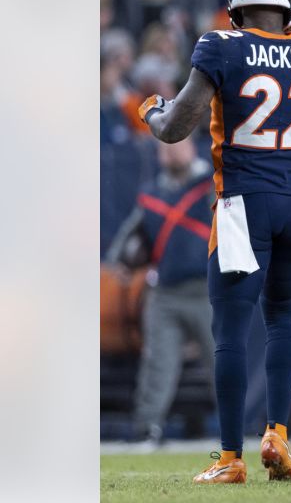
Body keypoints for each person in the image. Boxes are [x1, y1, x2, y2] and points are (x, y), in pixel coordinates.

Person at [138, 0, 291, 484]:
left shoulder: (221, 45)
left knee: (230, 329)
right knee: (282, 319)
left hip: (242, 205)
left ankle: (230, 458)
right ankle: (277, 432)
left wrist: (150, 111)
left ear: (234, 0)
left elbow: (176, 128)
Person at [104, 138, 216, 446]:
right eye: (165, 146)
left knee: (223, 361)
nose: (170, 150)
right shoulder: (153, 195)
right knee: (157, 364)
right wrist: (124, 260)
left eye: (177, 144)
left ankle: (242, 424)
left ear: (192, 148)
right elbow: (126, 243)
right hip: (166, 291)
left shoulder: (211, 184)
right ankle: (148, 428)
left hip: (208, 290)